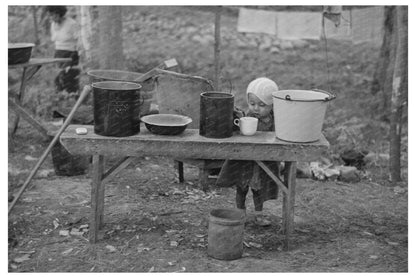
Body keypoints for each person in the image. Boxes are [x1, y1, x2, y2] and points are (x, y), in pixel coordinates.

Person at [216, 77, 280, 226]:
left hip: (263, 161)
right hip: (244, 160)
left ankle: (259, 215)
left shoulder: (275, 120)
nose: (256, 108)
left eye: (262, 105)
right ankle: (240, 213)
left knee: (259, 189)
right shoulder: (247, 117)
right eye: (252, 104)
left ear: (272, 105)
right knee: (241, 187)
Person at [46, 6, 81, 95]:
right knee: (58, 81)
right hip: (58, 54)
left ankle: (73, 99)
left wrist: (72, 59)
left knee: (69, 80)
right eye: (50, 15)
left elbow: (79, 43)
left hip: (71, 54)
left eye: (53, 15)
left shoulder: (72, 24)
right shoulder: (53, 24)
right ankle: (60, 99)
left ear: (59, 13)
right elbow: (56, 41)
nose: (51, 18)